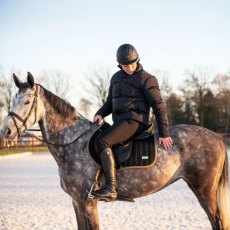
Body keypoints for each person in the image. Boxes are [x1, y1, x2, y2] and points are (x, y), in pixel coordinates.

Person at [92, 44, 173, 201]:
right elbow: (110, 101)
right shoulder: (115, 78)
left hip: (136, 121)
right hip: (119, 122)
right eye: (125, 65)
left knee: (102, 141)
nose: (129, 67)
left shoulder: (147, 79)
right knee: (95, 137)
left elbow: (159, 106)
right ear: (119, 64)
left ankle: (110, 188)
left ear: (137, 60)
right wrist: (100, 113)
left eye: (132, 63)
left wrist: (164, 133)